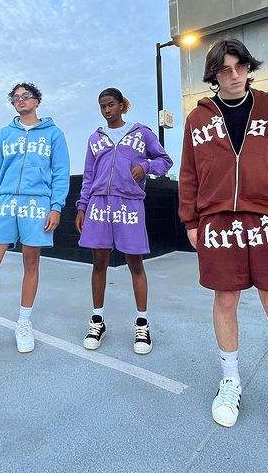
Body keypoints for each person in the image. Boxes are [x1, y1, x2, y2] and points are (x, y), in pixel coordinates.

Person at [179, 39, 268, 455]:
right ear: (214, 75)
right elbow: (188, 173)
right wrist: (190, 220)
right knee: (225, 300)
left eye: (240, 67)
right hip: (218, 219)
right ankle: (230, 380)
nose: (234, 75)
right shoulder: (197, 119)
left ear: (248, 68)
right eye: (225, 69)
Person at [0, 82, 70, 359]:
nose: (21, 100)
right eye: (16, 97)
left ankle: (23, 322)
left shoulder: (54, 134)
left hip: (37, 204)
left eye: (26, 96)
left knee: (31, 263)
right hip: (4, 203)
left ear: (37, 100)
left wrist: (56, 207)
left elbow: (60, 172)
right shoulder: (5, 134)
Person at [76, 88, 172, 354]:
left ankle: (142, 323)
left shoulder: (142, 133)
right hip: (98, 204)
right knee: (99, 262)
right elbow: (88, 175)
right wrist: (82, 206)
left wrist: (146, 167)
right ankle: (97, 320)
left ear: (122, 105)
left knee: (135, 263)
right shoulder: (95, 139)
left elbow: (165, 160)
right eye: (102, 106)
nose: (107, 110)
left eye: (111, 104)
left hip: (129, 203)